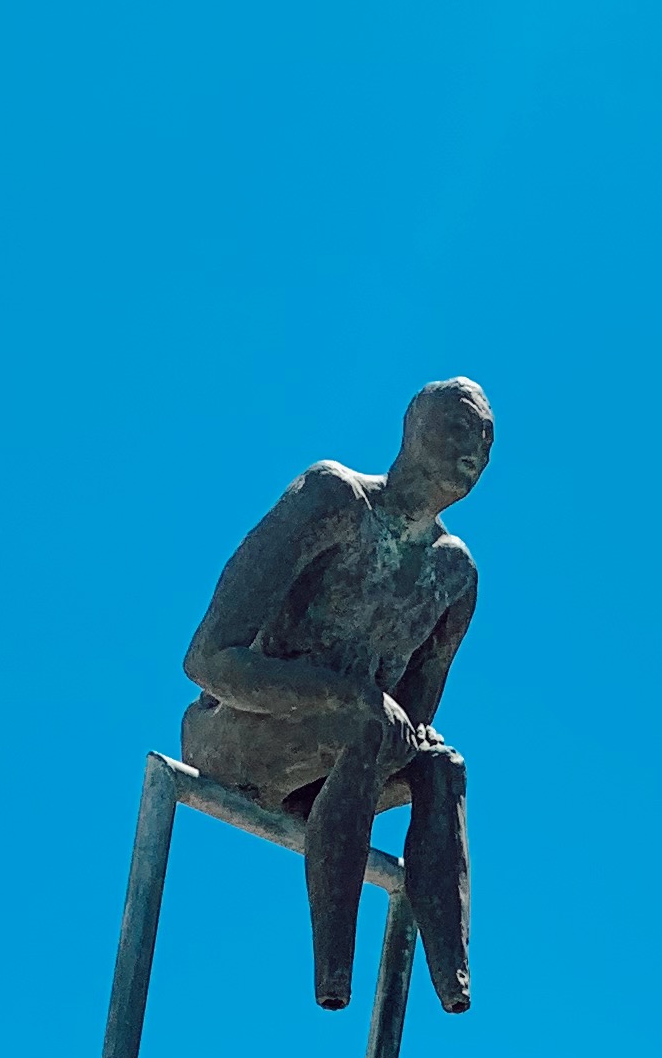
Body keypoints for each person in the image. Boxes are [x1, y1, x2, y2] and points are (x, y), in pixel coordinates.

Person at [180, 379, 494, 1016]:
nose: (473, 450)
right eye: (460, 426)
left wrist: (400, 729)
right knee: (363, 724)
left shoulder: (454, 575)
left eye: (486, 441)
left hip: (333, 771)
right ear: (413, 427)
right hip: (234, 731)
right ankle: (334, 971)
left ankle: (453, 980)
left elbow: (411, 720)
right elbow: (207, 660)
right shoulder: (335, 499)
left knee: (442, 767)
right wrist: (346, 696)